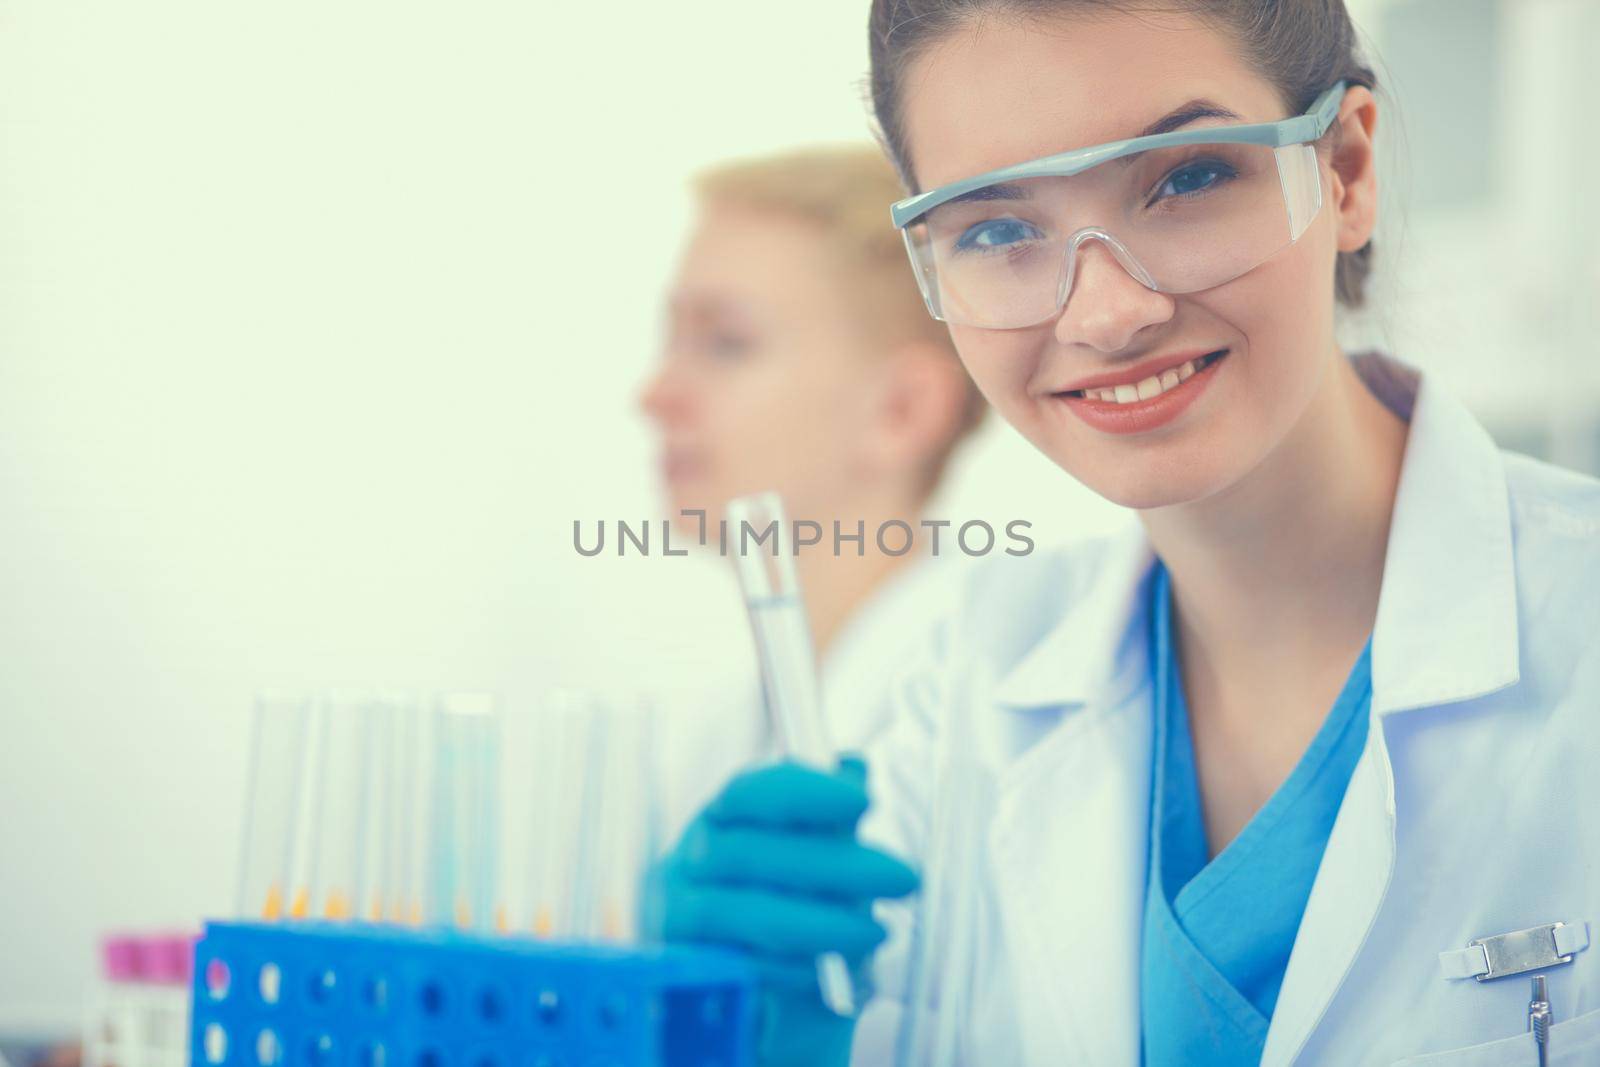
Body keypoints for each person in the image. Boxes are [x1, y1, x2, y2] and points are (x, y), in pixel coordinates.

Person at [652, 2, 1600, 1065]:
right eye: (998, 230)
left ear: (1343, 171)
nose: (1106, 313)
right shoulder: (957, 694)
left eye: (1187, 178)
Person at [638, 145, 986, 843]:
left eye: (726, 343)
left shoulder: (979, 721)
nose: (654, 396)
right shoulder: (710, 737)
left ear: (903, 410)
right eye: (671, 341)